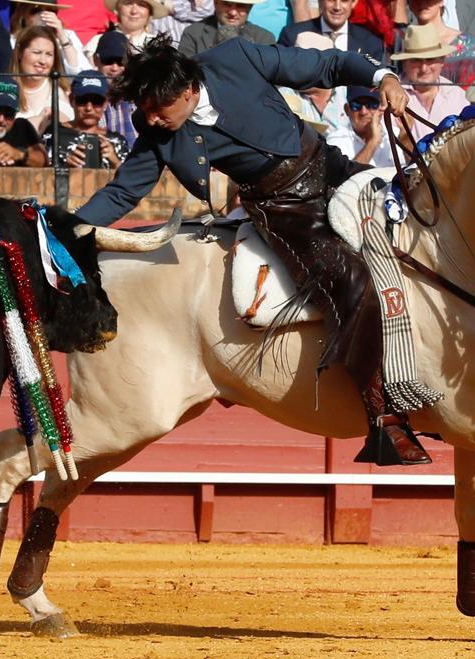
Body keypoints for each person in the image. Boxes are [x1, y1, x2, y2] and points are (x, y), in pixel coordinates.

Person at [74, 36, 430, 465]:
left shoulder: (237, 58)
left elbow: (328, 64)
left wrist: (383, 76)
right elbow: (122, 193)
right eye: (145, 108)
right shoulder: (158, 131)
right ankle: (384, 419)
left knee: (425, 217)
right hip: (289, 213)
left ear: (188, 90)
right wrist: (68, 227)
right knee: (352, 283)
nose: (150, 118)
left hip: (333, 169)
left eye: (158, 107)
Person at [394, 24, 470, 140]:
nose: (424, 68)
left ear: (442, 61)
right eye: (416, 61)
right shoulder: (393, 95)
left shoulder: (458, 97)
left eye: (430, 60)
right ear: (405, 63)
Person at [44, 70, 129, 168]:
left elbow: (131, 179)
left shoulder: (117, 141)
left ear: (105, 103)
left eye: (97, 101)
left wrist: (115, 161)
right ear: (72, 100)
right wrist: (65, 167)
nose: (89, 108)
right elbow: (41, 175)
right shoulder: (53, 135)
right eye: (82, 100)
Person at [396, 0, 475, 86]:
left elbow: (472, 92)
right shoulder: (401, 42)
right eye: (416, 0)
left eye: (430, 1)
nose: (422, 3)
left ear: (441, 2)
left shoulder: (467, 45)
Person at [278, 0, 386, 63]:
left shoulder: (371, 43)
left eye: (344, 0)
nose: (337, 7)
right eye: (331, 0)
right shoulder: (292, 35)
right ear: (320, 1)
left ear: (354, 2)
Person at [11, 24, 72, 133]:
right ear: (20, 52)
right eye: (37, 52)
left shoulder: (58, 91)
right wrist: (40, 119)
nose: (43, 61)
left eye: (49, 54)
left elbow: (62, 126)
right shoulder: (5, 87)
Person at [9, 0, 87, 74]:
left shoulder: (67, 35)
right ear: (23, 14)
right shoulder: (12, 39)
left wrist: (62, 38)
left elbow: (78, 72)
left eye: (50, 10)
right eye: (36, 10)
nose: (44, 16)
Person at [325, 85, 395, 167]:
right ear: (347, 110)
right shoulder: (336, 140)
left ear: (381, 107)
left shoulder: (395, 134)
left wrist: (405, 136)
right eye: (356, 105)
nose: (363, 112)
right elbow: (344, 178)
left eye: (371, 104)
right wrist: (373, 142)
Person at [178, 0, 275, 56]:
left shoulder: (264, 39)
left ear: (249, 8)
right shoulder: (193, 33)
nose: (233, 12)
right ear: (215, 3)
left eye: (240, 6)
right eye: (227, 4)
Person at [95, 29, 138, 147]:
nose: (114, 68)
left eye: (121, 62)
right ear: (96, 59)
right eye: (108, 61)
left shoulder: (140, 96)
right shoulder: (87, 98)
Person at [84, 0, 167, 60]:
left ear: (150, 14)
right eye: (128, 3)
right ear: (118, 10)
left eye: (141, 5)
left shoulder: (157, 44)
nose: (134, 11)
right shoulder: (98, 41)